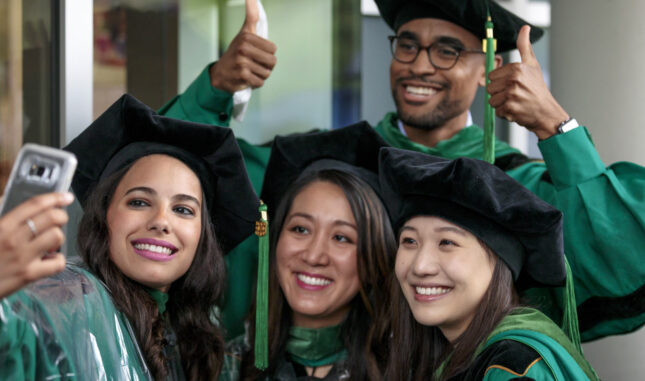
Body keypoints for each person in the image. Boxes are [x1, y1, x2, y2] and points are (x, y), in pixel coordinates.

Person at [159, 0, 645, 342]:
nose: (420, 65)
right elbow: (177, 173)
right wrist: (216, 88)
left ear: (487, 68)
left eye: (448, 50)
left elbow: (626, 254)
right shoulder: (328, 162)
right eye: (407, 45)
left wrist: (555, 126)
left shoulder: (516, 185)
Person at [0, 94, 259, 380]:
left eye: (183, 209)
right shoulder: (69, 306)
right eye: (139, 202)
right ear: (104, 215)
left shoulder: (197, 337)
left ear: (202, 235)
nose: (161, 221)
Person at [378, 147, 599, 381]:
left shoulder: (514, 367)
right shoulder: (447, 354)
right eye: (409, 240)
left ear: (499, 263)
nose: (420, 266)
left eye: (447, 242)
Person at [219, 123, 396, 381]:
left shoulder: (405, 369)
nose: (314, 256)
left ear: (374, 258)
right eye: (300, 229)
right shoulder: (227, 366)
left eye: (341, 237)